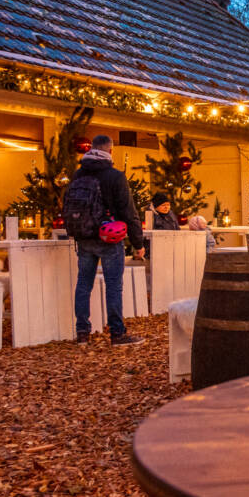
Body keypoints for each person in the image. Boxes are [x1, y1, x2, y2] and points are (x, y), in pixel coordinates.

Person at [70, 135, 146, 345]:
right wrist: (138, 244)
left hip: (84, 237)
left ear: (91, 149)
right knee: (114, 285)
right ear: (110, 151)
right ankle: (117, 334)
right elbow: (128, 211)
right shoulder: (115, 176)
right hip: (110, 237)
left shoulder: (78, 174)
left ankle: (82, 333)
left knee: (83, 284)